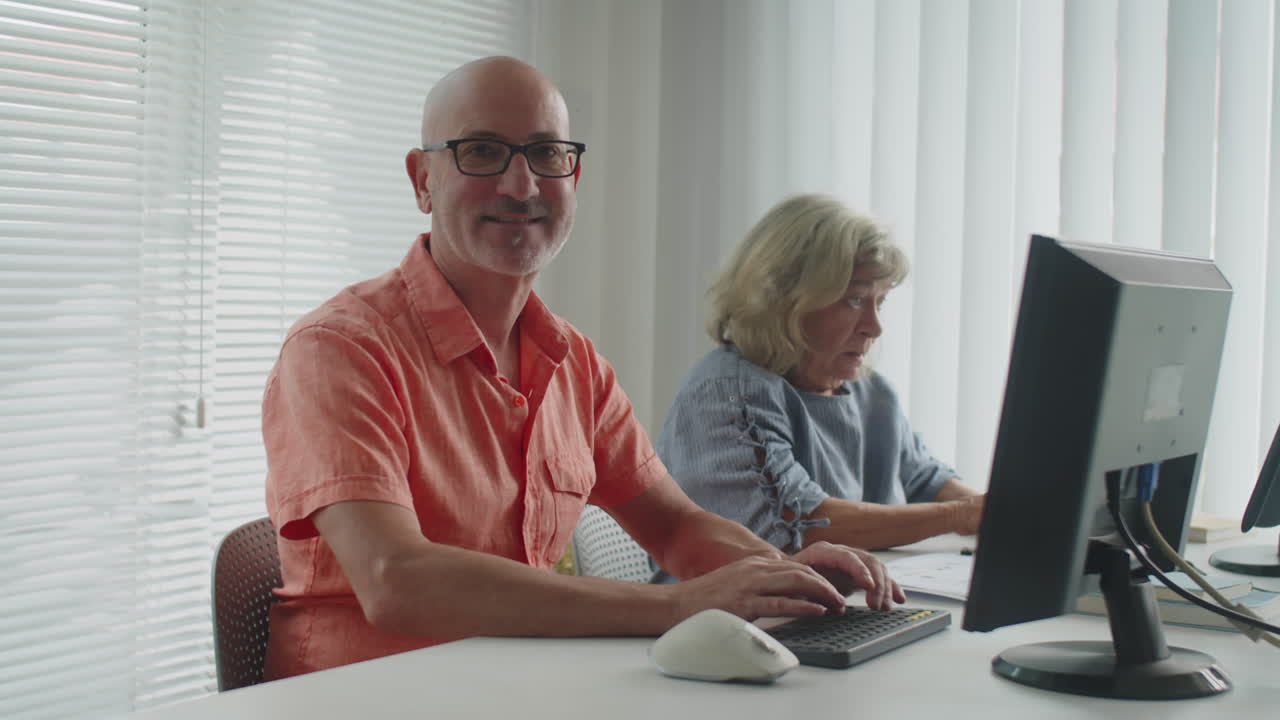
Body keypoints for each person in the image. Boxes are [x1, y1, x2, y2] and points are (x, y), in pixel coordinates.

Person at [261, 57, 903, 680]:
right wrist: (677, 605)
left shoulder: (575, 363)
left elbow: (676, 527)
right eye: (482, 152)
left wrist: (784, 575)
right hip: (366, 697)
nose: (522, 186)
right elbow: (393, 579)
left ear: (574, 177)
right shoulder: (338, 348)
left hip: (521, 685)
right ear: (422, 180)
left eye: (546, 154)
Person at [654, 194, 984, 570]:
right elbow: (798, 525)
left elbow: (925, 478)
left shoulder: (871, 393)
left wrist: (985, 508)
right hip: (732, 621)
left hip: (839, 611)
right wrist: (960, 516)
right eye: (856, 300)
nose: (875, 327)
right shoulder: (728, 394)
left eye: (881, 302)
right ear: (784, 299)